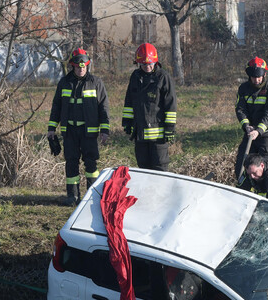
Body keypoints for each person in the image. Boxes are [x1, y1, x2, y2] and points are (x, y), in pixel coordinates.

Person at [47, 48, 110, 205]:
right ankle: (72, 196)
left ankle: (91, 196)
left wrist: (105, 130)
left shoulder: (96, 83)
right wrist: (51, 128)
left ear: (88, 65)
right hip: (70, 132)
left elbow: (104, 108)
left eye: (84, 66)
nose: (81, 69)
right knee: (71, 162)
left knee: (91, 164)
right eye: (78, 66)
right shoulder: (64, 83)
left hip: (89, 132)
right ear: (72, 66)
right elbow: (57, 106)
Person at [122, 43, 177, 171]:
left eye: (150, 64)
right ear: (139, 63)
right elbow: (129, 101)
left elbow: (170, 105)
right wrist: (127, 122)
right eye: (144, 64)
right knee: (144, 170)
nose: (147, 67)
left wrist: (169, 128)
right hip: (140, 134)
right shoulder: (135, 77)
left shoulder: (163, 78)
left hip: (158, 135)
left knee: (160, 169)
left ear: (155, 62)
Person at [234, 57, 268, 188]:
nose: (256, 80)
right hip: (251, 132)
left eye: (259, 76)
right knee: (242, 162)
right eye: (253, 77)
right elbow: (240, 109)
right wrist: (246, 126)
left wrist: (259, 130)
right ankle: (243, 190)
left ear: (265, 74)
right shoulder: (243, 88)